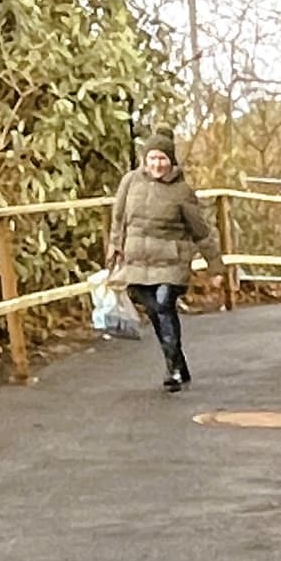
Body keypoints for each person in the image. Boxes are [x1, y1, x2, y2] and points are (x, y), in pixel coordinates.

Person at [103, 140, 222, 392]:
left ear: (171, 161)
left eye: (162, 159)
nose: (157, 164)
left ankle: (173, 369)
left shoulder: (182, 191)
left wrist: (215, 267)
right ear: (145, 160)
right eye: (153, 158)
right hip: (137, 260)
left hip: (171, 261)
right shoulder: (130, 182)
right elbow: (118, 218)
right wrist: (114, 247)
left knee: (164, 304)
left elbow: (200, 231)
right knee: (153, 308)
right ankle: (177, 360)